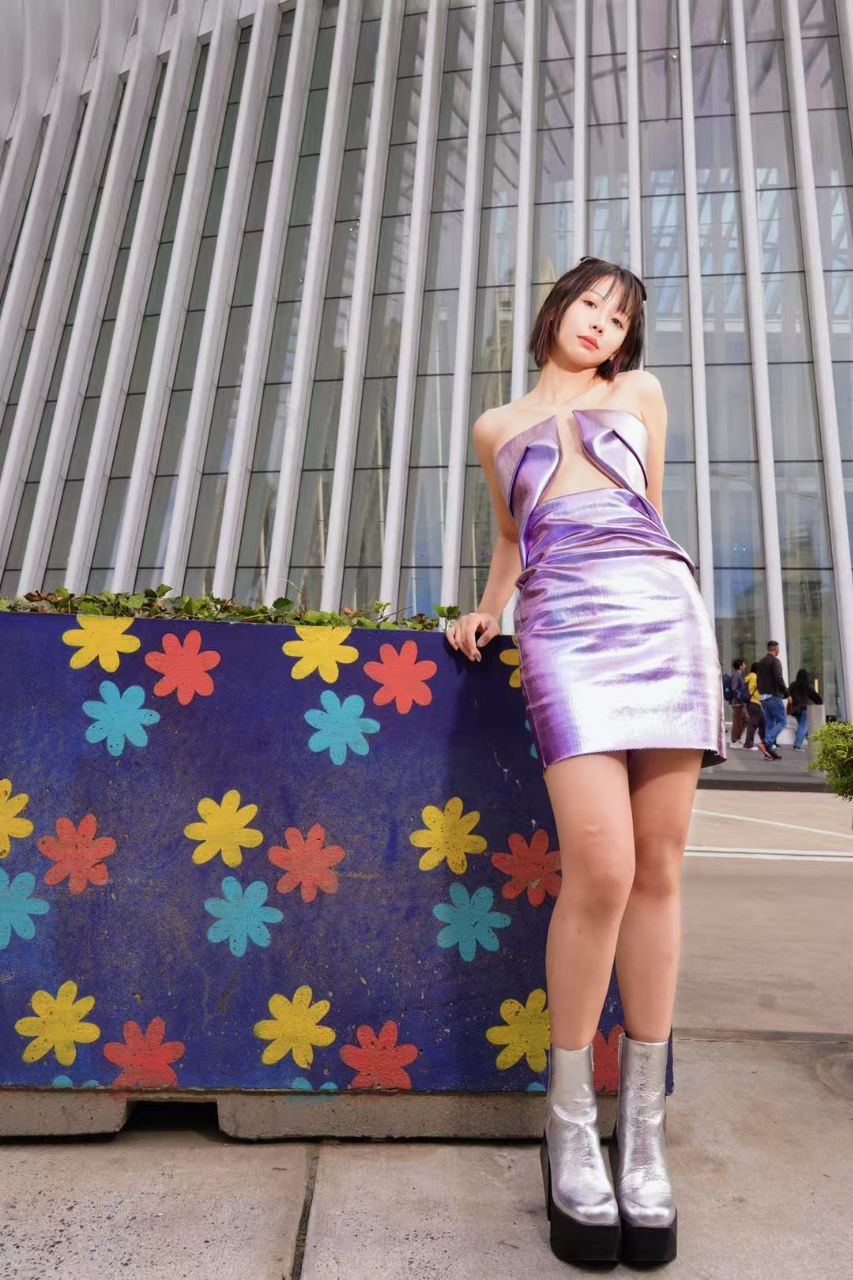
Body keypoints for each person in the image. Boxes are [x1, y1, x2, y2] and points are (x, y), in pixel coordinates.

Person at [446, 256, 726, 1267]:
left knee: (657, 868)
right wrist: (487, 609)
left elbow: (647, 508)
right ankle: (567, 1125)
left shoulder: (640, 393)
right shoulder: (495, 426)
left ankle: (641, 1133)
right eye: (590, 303)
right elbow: (511, 539)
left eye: (619, 316)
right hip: (563, 622)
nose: (602, 322)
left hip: (658, 609)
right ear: (555, 309)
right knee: (600, 868)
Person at [755, 640, 789, 752]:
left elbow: (758, 680)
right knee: (782, 721)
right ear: (776, 649)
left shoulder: (761, 662)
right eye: (778, 649)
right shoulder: (775, 661)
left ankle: (768, 752)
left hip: (763, 697)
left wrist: (761, 693)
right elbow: (779, 678)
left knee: (770, 723)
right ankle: (766, 742)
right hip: (773, 695)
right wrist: (786, 693)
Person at [743, 661, 778, 759]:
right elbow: (757, 688)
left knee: (762, 723)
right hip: (754, 702)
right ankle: (748, 745)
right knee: (753, 723)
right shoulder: (754, 677)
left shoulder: (750, 676)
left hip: (753, 703)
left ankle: (765, 744)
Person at [787, 667, 823, 749]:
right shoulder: (808, 687)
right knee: (803, 726)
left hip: (795, 710)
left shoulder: (793, 686)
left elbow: (786, 693)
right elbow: (817, 699)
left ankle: (810, 742)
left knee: (803, 726)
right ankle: (797, 745)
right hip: (804, 709)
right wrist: (819, 704)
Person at [728, 658, 751, 746]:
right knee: (737, 721)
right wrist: (741, 694)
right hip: (737, 703)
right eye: (744, 664)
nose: (745, 666)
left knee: (746, 720)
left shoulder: (738, 675)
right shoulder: (736, 675)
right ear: (740, 666)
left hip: (740, 702)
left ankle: (737, 738)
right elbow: (734, 688)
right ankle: (734, 741)